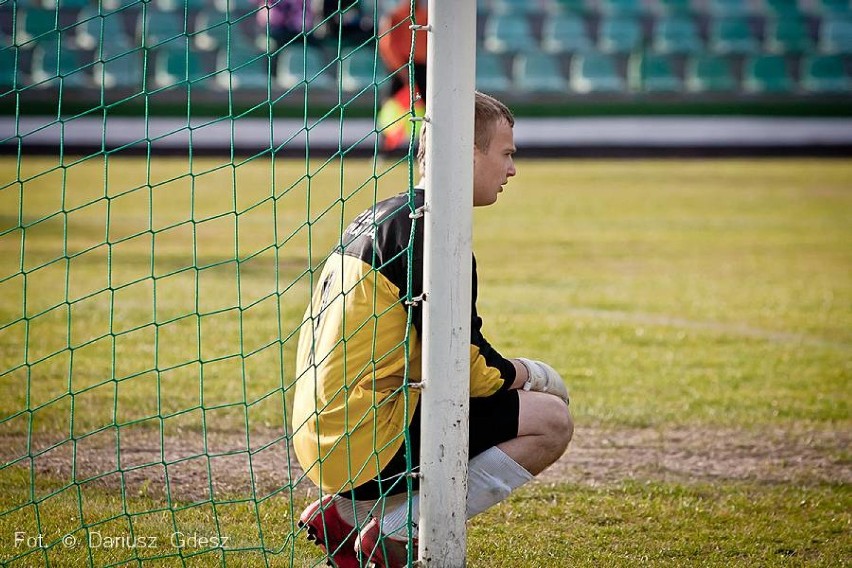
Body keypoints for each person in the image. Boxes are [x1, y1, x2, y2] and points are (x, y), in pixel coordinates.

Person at [292, 92, 574, 568]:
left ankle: (344, 516)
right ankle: (395, 535)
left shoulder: (386, 214)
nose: (512, 170)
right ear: (467, 153)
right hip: (363, 439)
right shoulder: (435, 233)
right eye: (506, 154)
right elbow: (462, 368)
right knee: (550, 421)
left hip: (323, 433)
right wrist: (530, 374)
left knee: (502, 406)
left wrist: (511, 375)